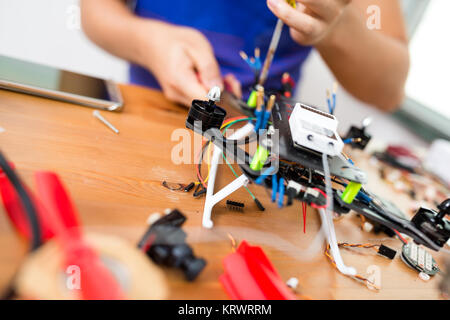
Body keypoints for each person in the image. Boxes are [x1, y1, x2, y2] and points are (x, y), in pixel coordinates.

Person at [81, 0, 409, 111]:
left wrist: (336, 27)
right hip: (145, 111)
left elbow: (387, 90)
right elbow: (96, 12)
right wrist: (149, 42)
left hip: (261, 142)